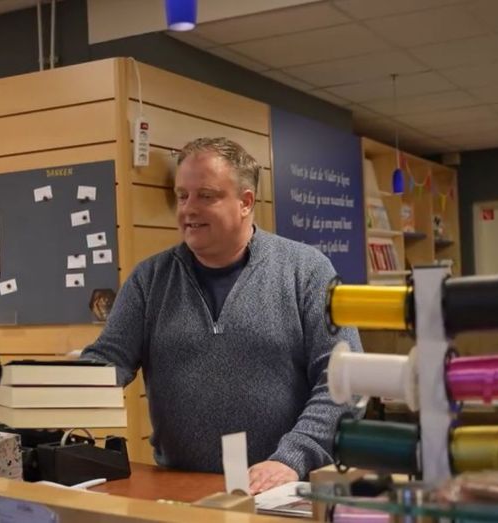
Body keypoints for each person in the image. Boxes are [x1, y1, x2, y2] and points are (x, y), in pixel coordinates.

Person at [81, 137, 362, 494]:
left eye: (206, 196)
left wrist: (293, 456)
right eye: (182, 196)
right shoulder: (149, 280)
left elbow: (345, 380)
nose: (188, 209)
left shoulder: (307, 271)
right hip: (181, 489)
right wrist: (40, 394)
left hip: (280, 490)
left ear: (245, 202)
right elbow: (108, 360)